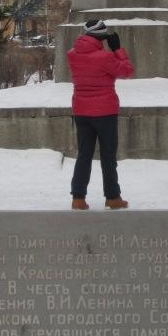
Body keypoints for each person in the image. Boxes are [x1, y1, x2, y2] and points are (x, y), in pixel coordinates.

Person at [66, 18, 134, 210]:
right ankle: (112, 197)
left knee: (84, 154)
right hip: (105, 112)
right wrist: (118, 50)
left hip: (81, 111)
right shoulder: (104, 57)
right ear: (102, 36)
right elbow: (127, 71)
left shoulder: (72, 55)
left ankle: (78, 198)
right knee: (108, 156)